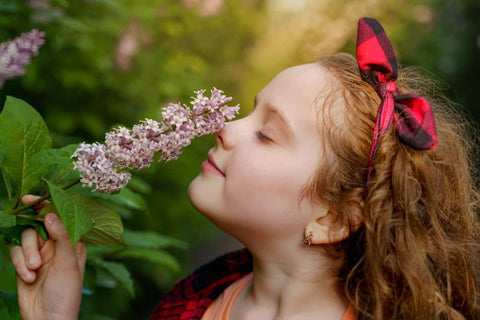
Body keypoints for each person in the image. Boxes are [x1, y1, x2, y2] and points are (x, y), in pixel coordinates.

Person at [9, 18, 480, 320]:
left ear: (333, 218)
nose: (226, 128)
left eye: (267, 133)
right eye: (250, 111)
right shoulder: (195, 302)